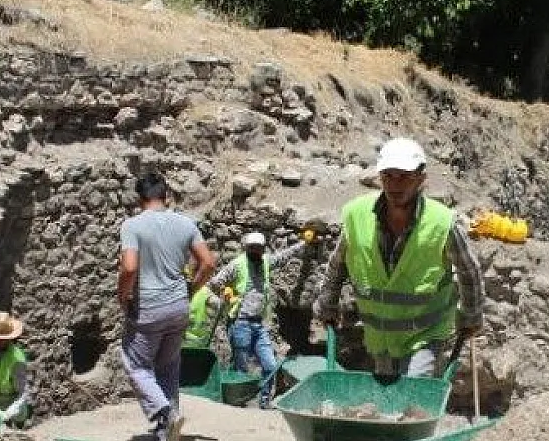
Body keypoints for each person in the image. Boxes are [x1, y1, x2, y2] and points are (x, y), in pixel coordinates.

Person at [313, 138, 484, 378]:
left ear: (421, 179)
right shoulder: (357, 216)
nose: (395, 185)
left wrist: (471, 314)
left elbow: (468, 269)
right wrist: (327, 303)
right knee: (387, 407)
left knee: (410, 394)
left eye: (404, 176)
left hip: (424, 335)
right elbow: (338, 264)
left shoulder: (441, 223)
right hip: (379, 336)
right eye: (388, 176)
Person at [119, 172, 215, 441]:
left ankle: (164, 411)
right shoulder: (186, 224)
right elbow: (207, 263)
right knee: (168, 366)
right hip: (178, 307)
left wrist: (122, 295)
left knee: (135, 363)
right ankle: (166, 430)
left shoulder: (132, 226)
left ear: (140, 199)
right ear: (166, 196)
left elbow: (129, 267)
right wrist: (190, 290)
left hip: (148, 307)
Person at [206, 228, 319, 406]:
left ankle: (264, 401)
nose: (255, 251)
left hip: (259, 324)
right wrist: (226, 293)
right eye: (252, 248)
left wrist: (304, 244)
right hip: (240, 322)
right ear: (246, 248)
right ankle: (237, 402)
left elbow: (284, 256)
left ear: (263, 248)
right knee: (241, 367)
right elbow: (214, 282)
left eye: (258, 248)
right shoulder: (237, 265)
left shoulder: (265, 262)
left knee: (270, 365)